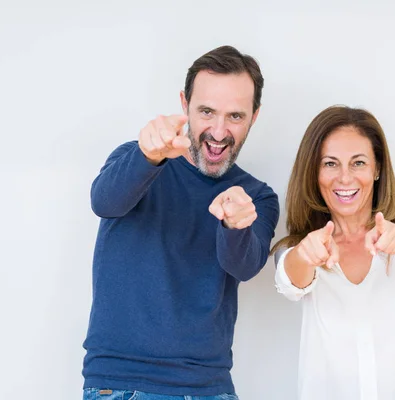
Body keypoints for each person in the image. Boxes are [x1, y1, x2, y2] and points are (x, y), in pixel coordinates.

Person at [82, 45, 279, 400]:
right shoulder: (138, 158)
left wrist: (235, 226)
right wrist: (148, 157)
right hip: (123, 385)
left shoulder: (256, 197)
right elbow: (104, 202)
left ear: (255, 116)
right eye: (206, 112)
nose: (218, 132)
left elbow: (245, 265)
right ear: (184, 105)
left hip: (210, 389)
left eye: (235, 116)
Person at [273, 105, 395, 400]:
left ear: (377, 168)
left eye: (358, 163)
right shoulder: (302, 247)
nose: (344, 178)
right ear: (314, 172)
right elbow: (290, 278)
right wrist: (306, 254)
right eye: (330, 163)